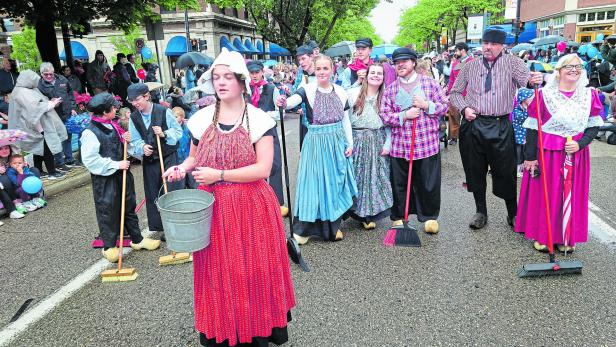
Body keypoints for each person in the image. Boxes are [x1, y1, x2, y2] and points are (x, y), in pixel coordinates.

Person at [163, 48, 295, 346]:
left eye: (228, 77)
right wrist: (181, 167)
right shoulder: (201, 119)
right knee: (219, 271)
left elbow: (263, 169)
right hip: (212, 208)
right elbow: (194, 157)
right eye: (216, 77)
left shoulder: (259, 120)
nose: (221, 82)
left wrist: (219, 176)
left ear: (241, 82)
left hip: (251, 207)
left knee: (252, 271)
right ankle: (224, 330)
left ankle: (255, 330)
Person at [450, 28, 543, 230]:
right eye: (485, 43)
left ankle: (513, 213)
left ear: (502, 46)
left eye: (492, 44)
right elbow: (455, 93)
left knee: (506, 172)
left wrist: (534, 79)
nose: (488, 47)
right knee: (475, 171)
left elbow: (527, 80)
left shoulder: (513, 63)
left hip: (500, 124)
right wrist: (464, 108)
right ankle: (481, 212)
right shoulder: (469, 66)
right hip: (474, 124)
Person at [516, 54, 604, 253]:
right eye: (568, 66)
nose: (574, 70)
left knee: (570, 196)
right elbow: (532, 128)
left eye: (578, 66)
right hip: (548, 154)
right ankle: (545, 236)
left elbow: (593, 126)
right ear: (559, 71)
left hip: (575, 154)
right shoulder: (544, 95)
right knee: (548, 195)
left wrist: (580, 144)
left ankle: (566, 236)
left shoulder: (589, 95)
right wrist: (530, 157)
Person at [277, 54, 357, 243]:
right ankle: (303, 230)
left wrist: (350, 143)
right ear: (314, 69)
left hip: (337, 141)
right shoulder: (307, 89)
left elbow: (346, 120)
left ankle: (332, 226)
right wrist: (283, 102)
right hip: (316, 142)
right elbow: (292, 101)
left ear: (332, 70)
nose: (322, 72)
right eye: (319, 68)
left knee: (334, 184)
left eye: (325, 68)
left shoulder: (341, 91)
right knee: (312, 184)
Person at [81, 92, 160, 262]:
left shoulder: (113, 125)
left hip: (122, 174)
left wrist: (127, 142)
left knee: (129, 206)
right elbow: (90, 160)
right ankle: (109, 247)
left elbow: (123, 148)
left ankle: (137, 239)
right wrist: (116, 164)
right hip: (105, 178)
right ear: (104, 112)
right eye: (113, 107)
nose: (116, 109)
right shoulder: (90, 132)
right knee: (108, 210)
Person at [381, 48, 448, 234]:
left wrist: (427, 105)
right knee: (400, 183)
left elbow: (444, 106)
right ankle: (399, 216)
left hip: (426, 145)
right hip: (400, 147)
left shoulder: (430, 84)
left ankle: (429, 217)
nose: (400, 65)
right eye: (397, 62)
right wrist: (404, 115)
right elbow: (385, 116)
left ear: (413, 62)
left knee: (428, 183)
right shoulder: (391, 89)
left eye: (404, 61)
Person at [127, 83, 183, 236]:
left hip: (168, 156)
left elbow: (178, 132)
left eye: (137, 99)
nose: (135, 103)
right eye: (131, 101)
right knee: (153, 192)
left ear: (147, 96)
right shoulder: (134, 117)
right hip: (150, 160)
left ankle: (177, 227)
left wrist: (164, 133)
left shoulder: (163, 111)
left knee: (171, 190)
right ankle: (162, 226)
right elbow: (135, 140)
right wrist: (142, 147)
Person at [347, 63, 392, 229]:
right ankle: (352, 210)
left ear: (383, 77)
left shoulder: (386, 96)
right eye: (372, 72)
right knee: (356, 175)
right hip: (356, 138)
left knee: (373, 177)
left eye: (379, 73)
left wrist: (388, 143)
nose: (375, 76)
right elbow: (344, 119)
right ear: (366, 75)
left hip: (377, 138)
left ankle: (368, 213)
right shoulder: (353, 93)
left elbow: (389, 124)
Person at [246, 60, 288, 216]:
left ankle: (277, 201)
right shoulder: (245, 90)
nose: (255, 75)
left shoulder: (271, 88)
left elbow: (281, 111)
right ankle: (258, 201)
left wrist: (267, 115)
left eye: (257, 72)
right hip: (251, 133)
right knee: (253, 165)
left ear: (262, 72)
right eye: (252, 73)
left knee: (275, 164)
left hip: (269, 130)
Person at [8, 70, 67, 180]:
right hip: (32, 125)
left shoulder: (24, 89)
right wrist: (51, 104)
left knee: (38, 147)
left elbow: (39, 102)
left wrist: (49, 102)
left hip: (35, 124)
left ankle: (39, 170)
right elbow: (35, 108)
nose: (36, 83)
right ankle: (52, 172)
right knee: (46, 146)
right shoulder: (22, 92)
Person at [38, 62, 77, 172]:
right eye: (46, 74)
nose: (49, 76)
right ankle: (60, 162)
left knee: (67, 137)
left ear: (54, 71)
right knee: (56, 139)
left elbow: (70, 93)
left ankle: (69, 159)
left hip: (67, 112)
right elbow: (39, 102)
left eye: (51, 74)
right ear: (41, 74)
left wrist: (73, 107)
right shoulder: (39, 85)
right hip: (52, 116)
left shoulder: (62, 79)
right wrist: (50, 103)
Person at [446, 42, 472, 146]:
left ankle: (468, 137)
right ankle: (454, 137)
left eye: (456, 50)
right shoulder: (455, 63)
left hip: (469, 95)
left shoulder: (472, 62)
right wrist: (448, 92)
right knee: (453, 116)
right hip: (456, 94)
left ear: (463, 50)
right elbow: (451, 80)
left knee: (469, 117)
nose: (455, 53)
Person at [291, 45, 317, 147]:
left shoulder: (322, 72)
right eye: (299, 60)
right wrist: (297, 106)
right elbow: (295, 91)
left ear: (311, 57)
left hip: (320, 121)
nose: (301, 62)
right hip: (305, 119)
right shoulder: (300, 73)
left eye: (303, 58)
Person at [511, 88, 534, 177]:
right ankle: (517, 170)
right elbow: (526, 119)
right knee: (518, 154)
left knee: (525, 153)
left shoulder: (528, 109)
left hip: (526, 136)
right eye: (530, 98)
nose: (532, 100)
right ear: (524, 99)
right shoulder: (518, 110)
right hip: (518, 136)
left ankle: (524, 169)